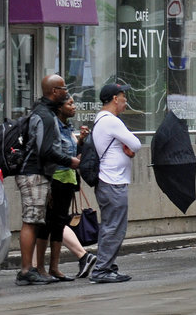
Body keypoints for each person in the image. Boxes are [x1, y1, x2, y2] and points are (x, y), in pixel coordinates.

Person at [15, 74, 79, 286]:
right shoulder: (44, 115)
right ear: (54, 92)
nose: (67, 92)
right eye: (63, 88)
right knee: (31, 221)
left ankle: (35, 269)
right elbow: (45, 149)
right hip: (33, 173)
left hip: (38, 173)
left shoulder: (44, 113)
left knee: (37, 221)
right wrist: (69, 161)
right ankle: (26, 270)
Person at [90, 81, 142, 284]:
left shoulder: (102, 120)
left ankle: (108, 266)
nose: (126, 101)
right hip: (113, 181)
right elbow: (136, 143)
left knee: (111, 226)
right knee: (114, 227)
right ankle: (102, 269)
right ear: (114, 99)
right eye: (123, 97)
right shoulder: (111, 121)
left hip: (109, 181)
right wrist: (128, 146)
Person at [39, 96, 88, 281]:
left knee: (59, 223)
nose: (74, 107)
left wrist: (81, 141)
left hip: (68, 179)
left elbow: (72, 152)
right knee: (47, 224)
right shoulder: (54, 126)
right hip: (55, 178)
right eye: (70, 104)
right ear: (59, 108)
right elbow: (51, 152)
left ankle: (54, 268)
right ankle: (41, 269)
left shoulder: (67, 127)